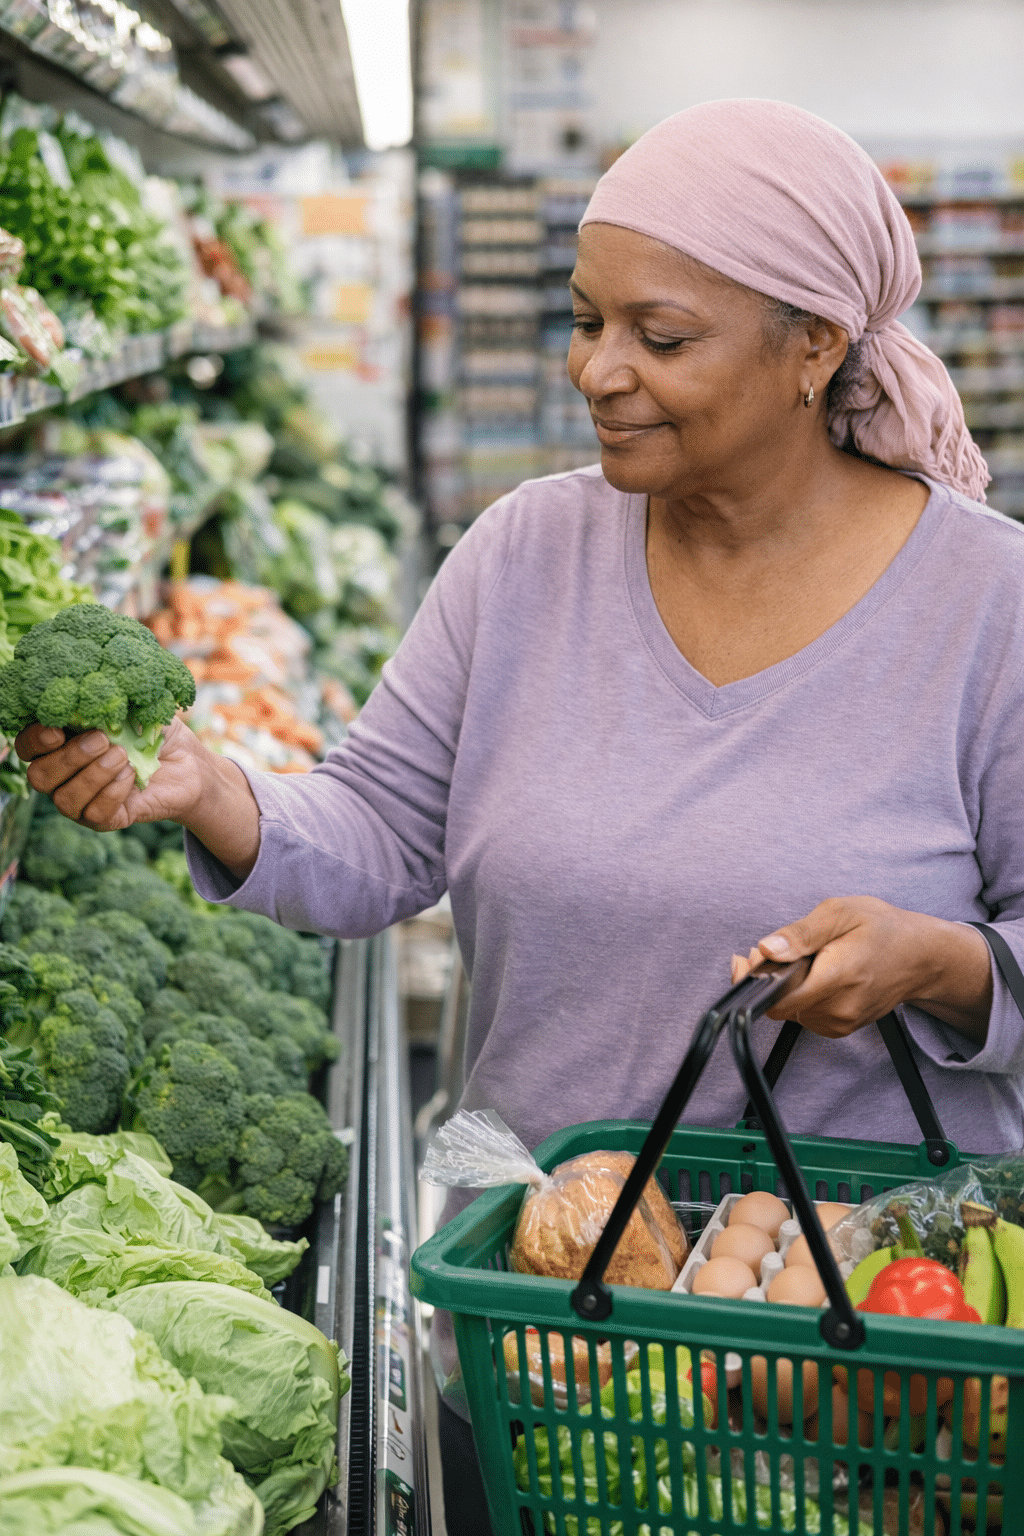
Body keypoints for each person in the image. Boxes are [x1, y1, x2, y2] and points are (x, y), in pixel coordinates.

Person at [15, 100, 1024, 1535]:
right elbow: (382, 826)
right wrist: (215, 792)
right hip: (541, 1344)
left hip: (864, 1376)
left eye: (659, 337)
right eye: (585, 319)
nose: (597, 371)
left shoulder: (987, 609)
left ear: (814, 346)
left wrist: (943, 962)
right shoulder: (525, 555)